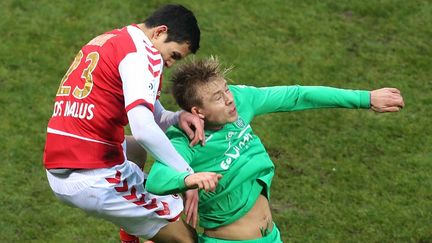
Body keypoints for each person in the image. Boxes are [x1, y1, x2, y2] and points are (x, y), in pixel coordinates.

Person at [144, 57, 405, 242]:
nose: (229, 99)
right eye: (217, 98)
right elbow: (156, 180)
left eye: (225, 89)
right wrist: (190, 179)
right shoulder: (186, 140)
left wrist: (366, 99)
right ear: (197, 112)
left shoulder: (240, 99)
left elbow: (296, 96)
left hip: (271, 236)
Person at [43, 4, 221, 243]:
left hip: (59, 162)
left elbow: (150, 115)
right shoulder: (143, 55)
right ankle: (136, 220)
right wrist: (186, 177)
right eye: (174, 55)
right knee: (186, 237)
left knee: (135, 149)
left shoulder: (111, 39)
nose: (170, 63)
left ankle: (131, 230)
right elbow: (145, 129)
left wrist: (176, 117)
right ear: (159, 32)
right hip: (92, 175)